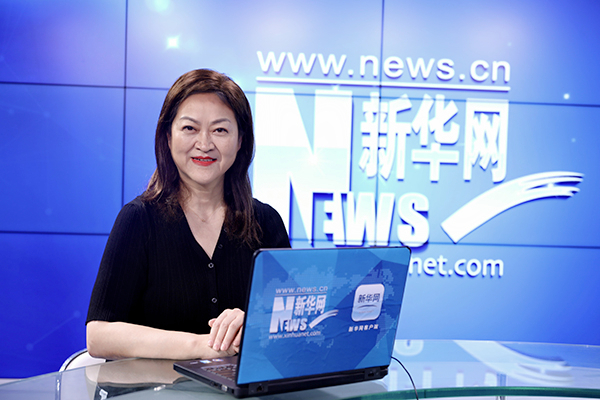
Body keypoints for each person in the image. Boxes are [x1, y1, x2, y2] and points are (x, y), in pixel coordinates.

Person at [86, 69, 290, 361]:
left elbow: (293, 324)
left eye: (220, 130)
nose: (204, 144)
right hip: (154, 386)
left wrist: (255, 322)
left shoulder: (266, 223)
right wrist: (202, 345)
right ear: (168, 136)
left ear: (240, 141)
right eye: (190, 128)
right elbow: (99, 335)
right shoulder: (138, 220)